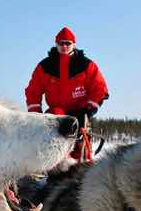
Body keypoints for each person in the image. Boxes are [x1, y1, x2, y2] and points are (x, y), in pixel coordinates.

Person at [25, 26, 108, 160]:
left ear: (74, 45)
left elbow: (99, 88)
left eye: (68, 43)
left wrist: (88, 110)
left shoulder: (86, 65)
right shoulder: (45, 66)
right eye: (61, 43)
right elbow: (33, 91)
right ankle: (56, 169)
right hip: (56, 113)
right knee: (55, 143)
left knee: (81, 145)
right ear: (56, 44)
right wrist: (36, 114)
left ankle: (82, 168)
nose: (64, 46)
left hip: (80, 112)